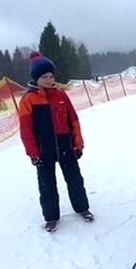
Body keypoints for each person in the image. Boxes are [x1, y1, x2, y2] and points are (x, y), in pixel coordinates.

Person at [18, 52, 94, 232]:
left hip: (65, 144)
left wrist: (78, 143)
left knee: (75, 179)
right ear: (36, 78)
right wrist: (33, 154)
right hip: (44, 149)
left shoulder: (60, 95)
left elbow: (73, 120)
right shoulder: (28, 100)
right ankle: (51, 217)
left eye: (51, 76)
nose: (49, 79)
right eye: (44, 76)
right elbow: (26, 131)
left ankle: (82, 208)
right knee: (47, 184)